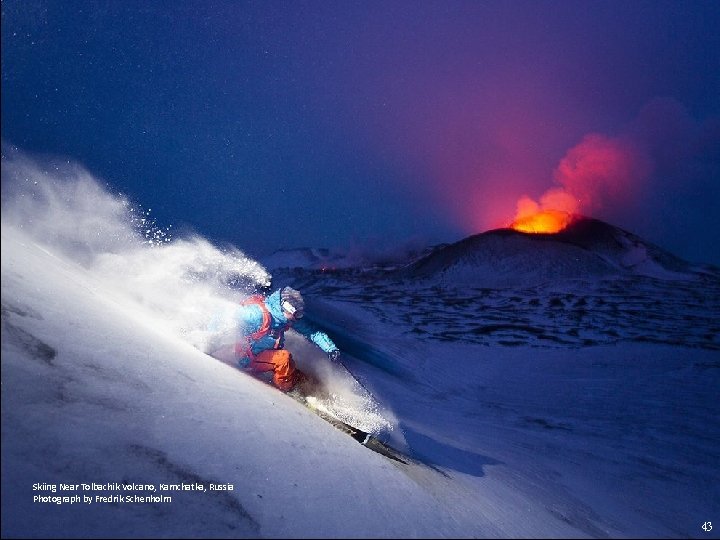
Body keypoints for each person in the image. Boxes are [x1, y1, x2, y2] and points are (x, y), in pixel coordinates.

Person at [234, 286, 340, 392]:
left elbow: (312, 332)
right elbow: (231, 318)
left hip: (265, 353)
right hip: (248, 358)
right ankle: (289, 390)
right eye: (297, 314)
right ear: (287, 308)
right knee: (283, 359)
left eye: (300, 314)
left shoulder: (286, 318)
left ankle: (311, 387)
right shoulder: (257, 314)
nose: (298, 317)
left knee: (291, 367)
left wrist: (330, 348)